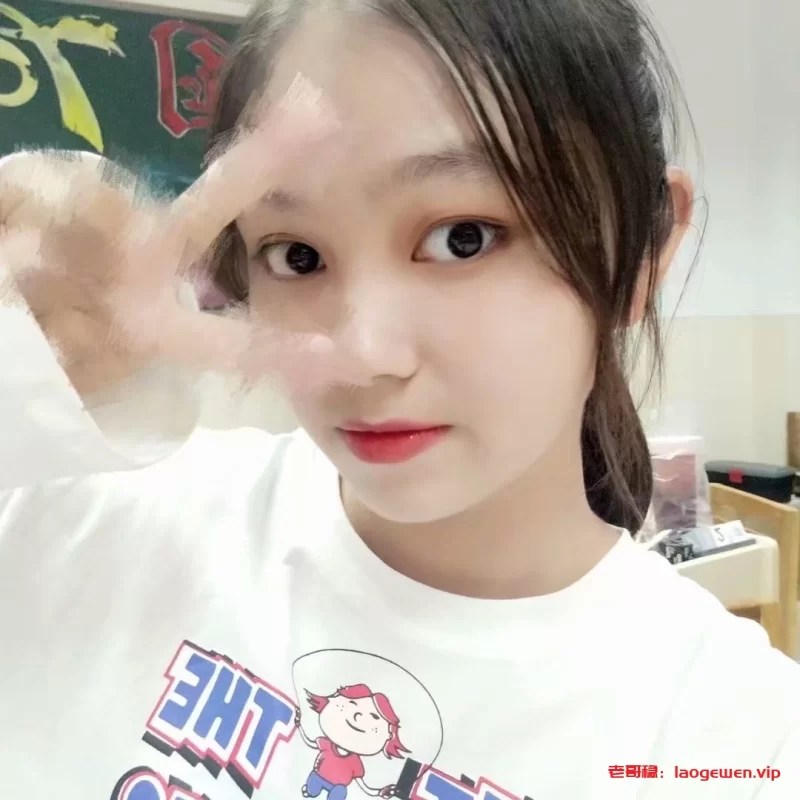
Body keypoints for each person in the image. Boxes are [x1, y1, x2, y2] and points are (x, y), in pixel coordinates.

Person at [0, 0, 797, 798]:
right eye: (297, 255)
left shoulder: (737, 740)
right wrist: (21, 367)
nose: (364, 356)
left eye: (463, 238)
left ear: (643, 250)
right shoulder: (96, 521)